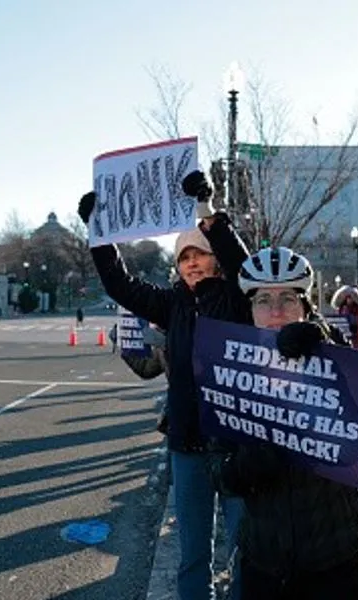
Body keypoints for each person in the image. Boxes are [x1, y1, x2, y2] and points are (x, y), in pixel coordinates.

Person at [79, 170, 251, 600]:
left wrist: (206, 212)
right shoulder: (172, 303)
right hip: (187, 444)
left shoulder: (239, 298)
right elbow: (121, 284)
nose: (191, 262)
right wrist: (99, 235)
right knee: (193, 552)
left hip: (238, 444)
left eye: (200, 254)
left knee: (246, 550)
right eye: (183, 257)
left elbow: (243, 265)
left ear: (215, 259)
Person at [213, 246, 358, 600]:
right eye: (263, 300)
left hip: (337, 557)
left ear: (306, 305)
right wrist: (249, 464)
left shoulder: (335, 343)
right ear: (250, 310)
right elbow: (219, 473)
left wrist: (326, 356)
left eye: (288, 298)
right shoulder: (232, 367)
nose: (277, 311)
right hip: (265, 562)